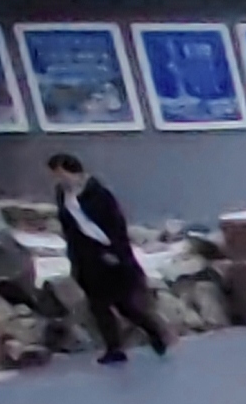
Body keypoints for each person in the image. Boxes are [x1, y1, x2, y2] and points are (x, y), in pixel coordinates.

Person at [45, 152, 168, 363]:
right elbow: (69, 225)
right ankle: (114, 349)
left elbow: (116, 226)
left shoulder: (99, 194)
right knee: (98, 305)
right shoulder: (62, 195)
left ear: (73, 172)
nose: (59, 180)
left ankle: (154, 331)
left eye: (61, 174)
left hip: (110, 254)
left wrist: (116, 253)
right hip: (85, 257)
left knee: (124, 304)